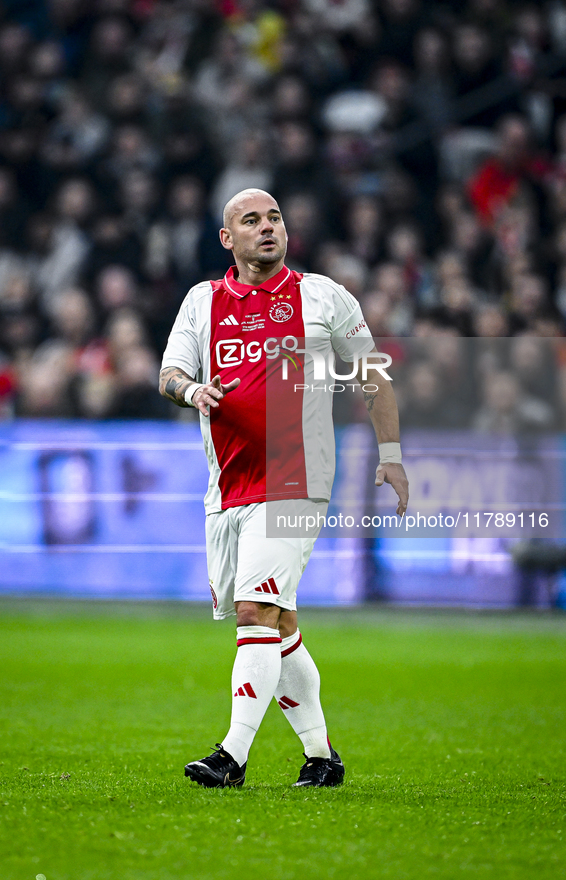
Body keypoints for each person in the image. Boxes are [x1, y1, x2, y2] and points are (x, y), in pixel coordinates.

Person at [159, 188, 408, 788]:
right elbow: (169, 373)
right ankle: (322, 758)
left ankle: (232, 756)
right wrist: (193, 391)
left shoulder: (324, 297)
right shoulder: (202, 302)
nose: (267, 227)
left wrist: (392, 455)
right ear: (228, 239)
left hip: (297, 482)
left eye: (275, 217)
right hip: (229, 488)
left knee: (254, 610)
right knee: (280, 624)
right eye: (252, 220)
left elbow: (374, 377)